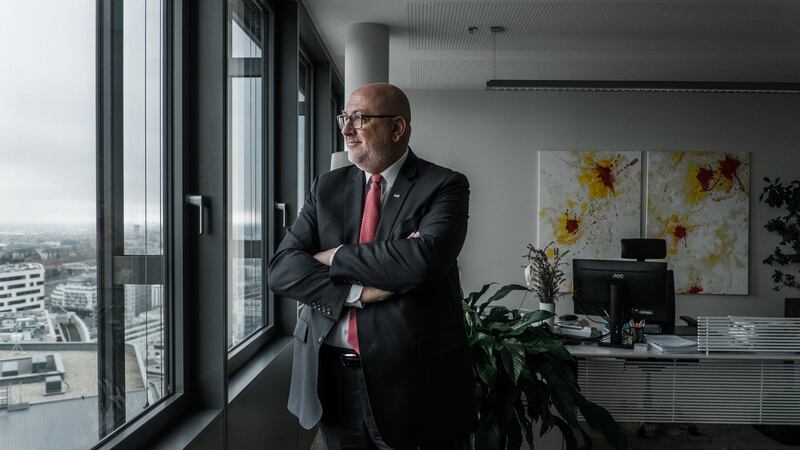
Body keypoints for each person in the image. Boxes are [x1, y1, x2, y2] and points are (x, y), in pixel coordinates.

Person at [268, 83, 477, 450]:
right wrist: (358, 291)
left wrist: (333, 255)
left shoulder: (444, 185)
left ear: (397, 128)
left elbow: (421, 263)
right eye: (345, 118)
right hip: (332, 378)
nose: (347, 129)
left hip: (415, 385)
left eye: (359, 119)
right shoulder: (327, 187)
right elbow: (283, 269)